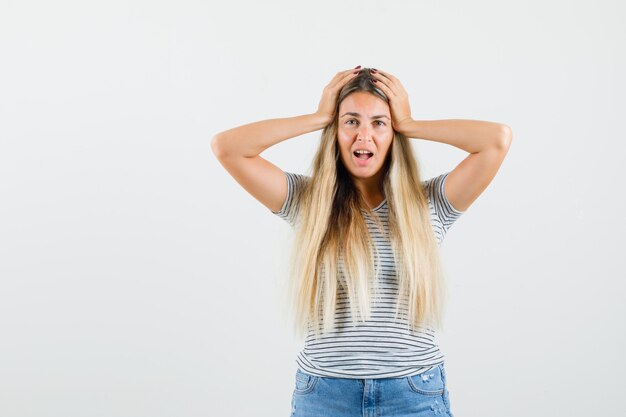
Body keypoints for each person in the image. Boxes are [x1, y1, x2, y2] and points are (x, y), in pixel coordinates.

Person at [211, 66, 512, 417]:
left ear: (393, 133)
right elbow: (228, 148)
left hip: (412, 393)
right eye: (351, 121)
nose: (363, 136)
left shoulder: (430, 202)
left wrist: (411, 124)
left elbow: (496, 140)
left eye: (378, 123)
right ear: (335, 132)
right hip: (325, 395)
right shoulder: (308, 202)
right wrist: (317, 116)